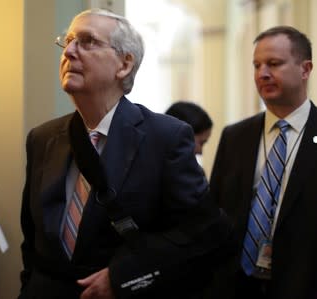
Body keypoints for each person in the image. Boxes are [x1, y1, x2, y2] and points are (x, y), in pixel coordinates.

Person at [18, 8, 231, 299]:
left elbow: (201, 233)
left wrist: (124, 278)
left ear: (124, 64)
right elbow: (33, 241)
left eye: (87, 41)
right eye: (67, 41)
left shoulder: (165, 138)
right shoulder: (42, 139)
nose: (68, 51)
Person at [206, 25, 316, 299]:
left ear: (305, 69)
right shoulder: (235, 136)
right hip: (237, 287)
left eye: (274, 64)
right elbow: (214, 214)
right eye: (257, 65)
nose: (262, 74)